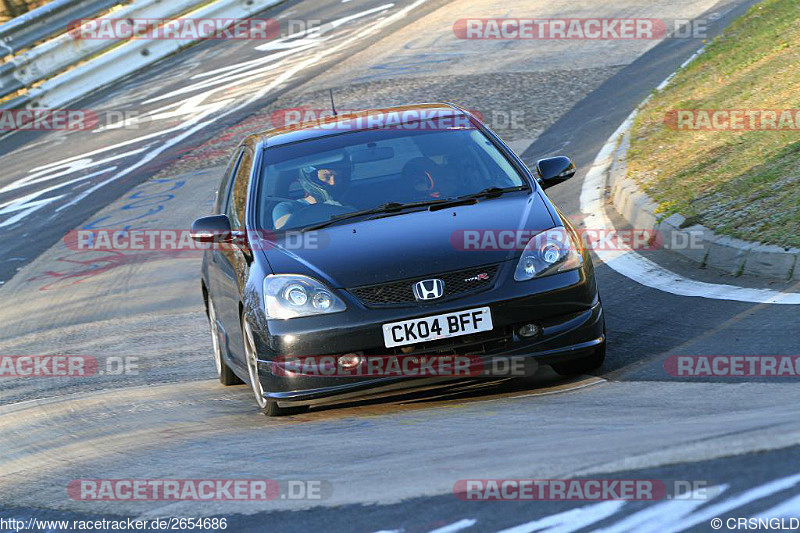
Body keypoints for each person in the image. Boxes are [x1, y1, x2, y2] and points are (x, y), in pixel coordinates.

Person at [273, 159, 351, 229]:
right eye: (326, 177)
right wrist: (323, 209)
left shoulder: (344, 204)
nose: (333, 183)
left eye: (338, 177)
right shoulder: (286, 207)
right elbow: (283, 230)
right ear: (311, 178)